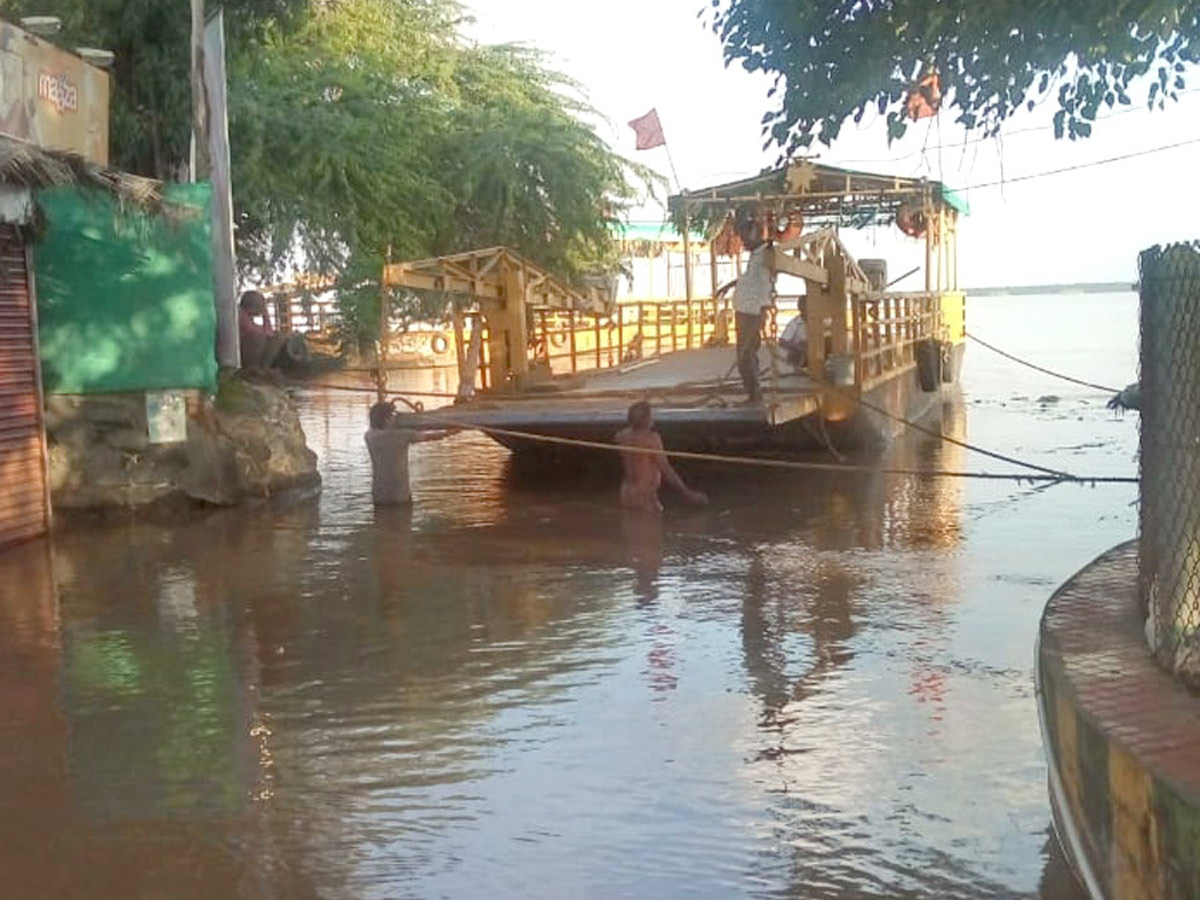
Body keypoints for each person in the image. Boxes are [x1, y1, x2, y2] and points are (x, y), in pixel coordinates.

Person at [614, 400, 707, 512]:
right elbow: (665, 469)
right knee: (652, 526)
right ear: (647, 419)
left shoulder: (621, 435)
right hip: (645, 493)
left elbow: (619, 439)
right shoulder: (652, 439)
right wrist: (688, 493)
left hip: (626, 493)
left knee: (632, 526)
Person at [365, 400, 455, 506]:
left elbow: (388, 433)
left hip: (379, 495)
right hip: (399, 494)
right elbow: (432, 436)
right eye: (392, 416)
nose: (395, 419)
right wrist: (451, 432)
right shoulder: (403, 435)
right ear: (386, 419)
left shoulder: (369, 436)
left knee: (383, 519)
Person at [730, 221, 776, 402]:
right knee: (746, 353)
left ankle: (754, 394)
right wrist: (731, 285)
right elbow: (752, 280)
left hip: (752, 311)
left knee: (746, 353)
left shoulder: (766, 255)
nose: (743, 242)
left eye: (744, 237)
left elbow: (765, 282)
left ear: (755, 235)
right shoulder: (756, 255)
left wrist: (763, 310)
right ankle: (753, 392)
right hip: (745, 309)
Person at [239, 290, 286, 368]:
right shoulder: (241, 315)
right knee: (263, 338)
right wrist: (265, 315)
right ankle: (259, 369)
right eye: (262, 304)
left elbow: (268, 332)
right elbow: (265, 333)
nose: (263, 307)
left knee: (277, 336)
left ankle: (262, 369)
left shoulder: (247, 317)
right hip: (242, 354)